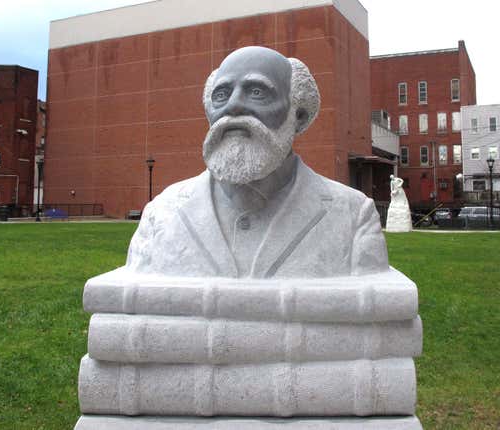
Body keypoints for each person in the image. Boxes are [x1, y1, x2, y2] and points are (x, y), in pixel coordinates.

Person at [126, 46, 388, 278]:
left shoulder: (354, 217)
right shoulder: (160, 214)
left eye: (256, 92)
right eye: (221, 94)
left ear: (298, 116)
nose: (234, 106)